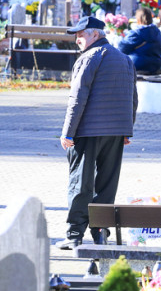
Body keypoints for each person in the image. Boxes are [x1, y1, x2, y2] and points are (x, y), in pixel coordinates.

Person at [58, 16, 137, 249]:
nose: (77, 40)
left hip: (87, 131)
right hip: (116, 131)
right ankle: (100, 232)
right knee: (107, 184)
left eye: (81, 35)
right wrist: (127, 130)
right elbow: (133, 98)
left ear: (96, 34)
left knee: (80, 182)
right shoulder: (125, 59)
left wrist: (67, 132)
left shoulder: (89, 58)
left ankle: (74, 235)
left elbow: (77, 98)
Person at [118, 7, 161, 74]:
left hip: (137, 64)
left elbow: (122, 48)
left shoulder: (136, 32)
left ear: (138, 20)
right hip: (156, 65)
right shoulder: (157, 32)